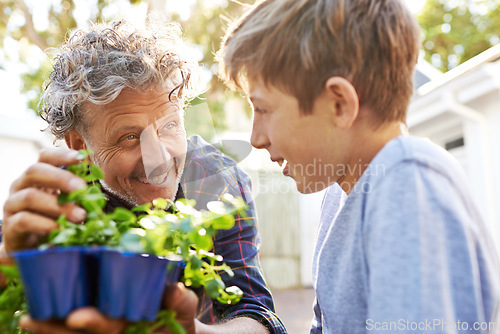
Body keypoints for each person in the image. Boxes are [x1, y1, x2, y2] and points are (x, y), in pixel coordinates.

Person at [216, 0, 500, 333]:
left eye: (262, 109)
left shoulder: (407, 186)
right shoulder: (340, 197)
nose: (255, 138)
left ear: (339, 104)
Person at [0, 19, 286, 334]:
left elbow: (257, 315)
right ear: (79, 145)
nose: (160, 161)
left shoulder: (216, 181)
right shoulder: (52, 200)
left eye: (170, 126)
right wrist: (9, 264)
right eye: (130, 138)